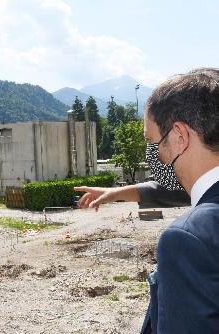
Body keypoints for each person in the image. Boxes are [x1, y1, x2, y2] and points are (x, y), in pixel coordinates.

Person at [79, 68, 219, 333]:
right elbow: (177, 191)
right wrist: (116, 193)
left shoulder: (188, 239)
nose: (153, 154)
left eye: (153, 142)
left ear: (179, 137)